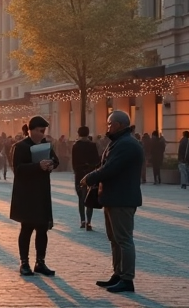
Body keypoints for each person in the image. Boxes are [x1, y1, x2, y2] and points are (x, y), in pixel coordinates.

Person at [83, 111, 144, 294]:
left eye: (109, 124)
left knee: (124, 240)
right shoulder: (119, 142)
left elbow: (110, 168)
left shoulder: (126, 144)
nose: (107, 127)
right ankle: (118, 274)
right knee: (114, 239)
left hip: (122, 199)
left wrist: (90, 177)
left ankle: (127, 278)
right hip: (113, 197)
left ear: (118, 124)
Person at [9, 116, 59, 276]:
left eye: (43, 131)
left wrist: (51, 164)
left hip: (42, 192)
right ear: (30, 130)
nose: (41, 134)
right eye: (39, 131)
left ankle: (40, 262)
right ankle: (24, 262)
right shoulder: (21, 146)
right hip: (27, 193)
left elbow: (56, 161)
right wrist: (38, 166)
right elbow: (18, 169)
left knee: (42, 228)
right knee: (27, 228)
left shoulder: (45, 145)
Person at [71, 126, 101, 230]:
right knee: (89, 198)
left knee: (81, 198)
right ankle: (89, 222)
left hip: (79, 174)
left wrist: (78, 170)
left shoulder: (76, 146)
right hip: (90, 174)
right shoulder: (92, 145)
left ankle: (82, 220)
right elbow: (97, 161)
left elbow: (74, 163)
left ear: (78, 133)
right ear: (88, 134)